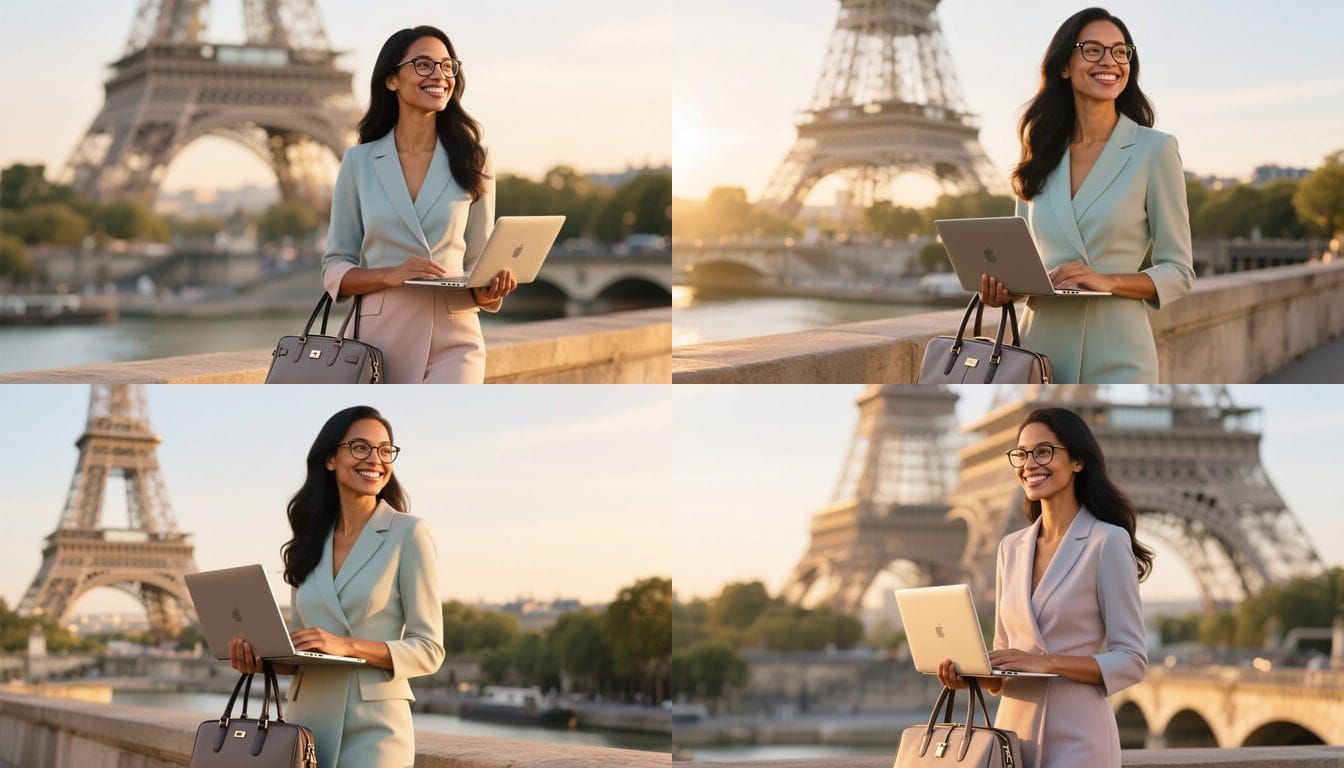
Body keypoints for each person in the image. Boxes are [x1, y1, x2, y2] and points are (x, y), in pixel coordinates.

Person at [980, 7, 1194, 383]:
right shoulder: (1038, 152)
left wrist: (1106, 281)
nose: (1109, 61)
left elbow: (1178, 271)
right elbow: (1024, 261)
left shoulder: (1155, 150)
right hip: (1037, 350)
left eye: (1120, 50)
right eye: (1092, 50)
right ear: (1064, 65)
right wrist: (1003, 290)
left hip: (1119, 352)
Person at [229, 406, 444, 767]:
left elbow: (429, 649)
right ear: (330, 458)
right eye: (360, 447)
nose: (375, 459)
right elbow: (306, 649)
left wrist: (346, 645)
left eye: (384, 449)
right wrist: (262, 660)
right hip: (304, 725)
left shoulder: (409, 533)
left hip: (374, 731)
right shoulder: (309, 542)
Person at [936, 407, 1150, 768]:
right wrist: (973, 675)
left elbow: (1131, 661)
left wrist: (1045, 662)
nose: (1029, 463)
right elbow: (1007, 661)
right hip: (1013, 737)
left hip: (1079, 738)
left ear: (1078, 461)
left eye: (1044, 451)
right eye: (1021, 454)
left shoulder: (1106, 542)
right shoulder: (1011, 547)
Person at [321, 26, 517, 383]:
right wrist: (388, 275)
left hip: (455, 337)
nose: (439, 75)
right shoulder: (359, 162)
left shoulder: (475, 159)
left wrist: (489, 292)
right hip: (378, 340)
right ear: (392, 79)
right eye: (424, 65)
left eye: (447, 66)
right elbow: (335, 266)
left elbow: (476, 258)